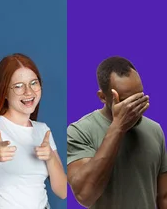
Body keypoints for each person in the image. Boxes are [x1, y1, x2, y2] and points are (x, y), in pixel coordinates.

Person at [0, 53, 67, 209]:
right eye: (19, 86)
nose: (29, 92)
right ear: (5, 92)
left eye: (34, 83)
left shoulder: (43, 131)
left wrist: (51, 159)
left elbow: (63, 192)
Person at [67, 56, 167, 208]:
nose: (134, 106)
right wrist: (118, 127)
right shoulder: (80, 131)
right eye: (126, 100)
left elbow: (163, 197)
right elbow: (85, 196)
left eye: (139, 96)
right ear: (102, 97)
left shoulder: (155, 130)